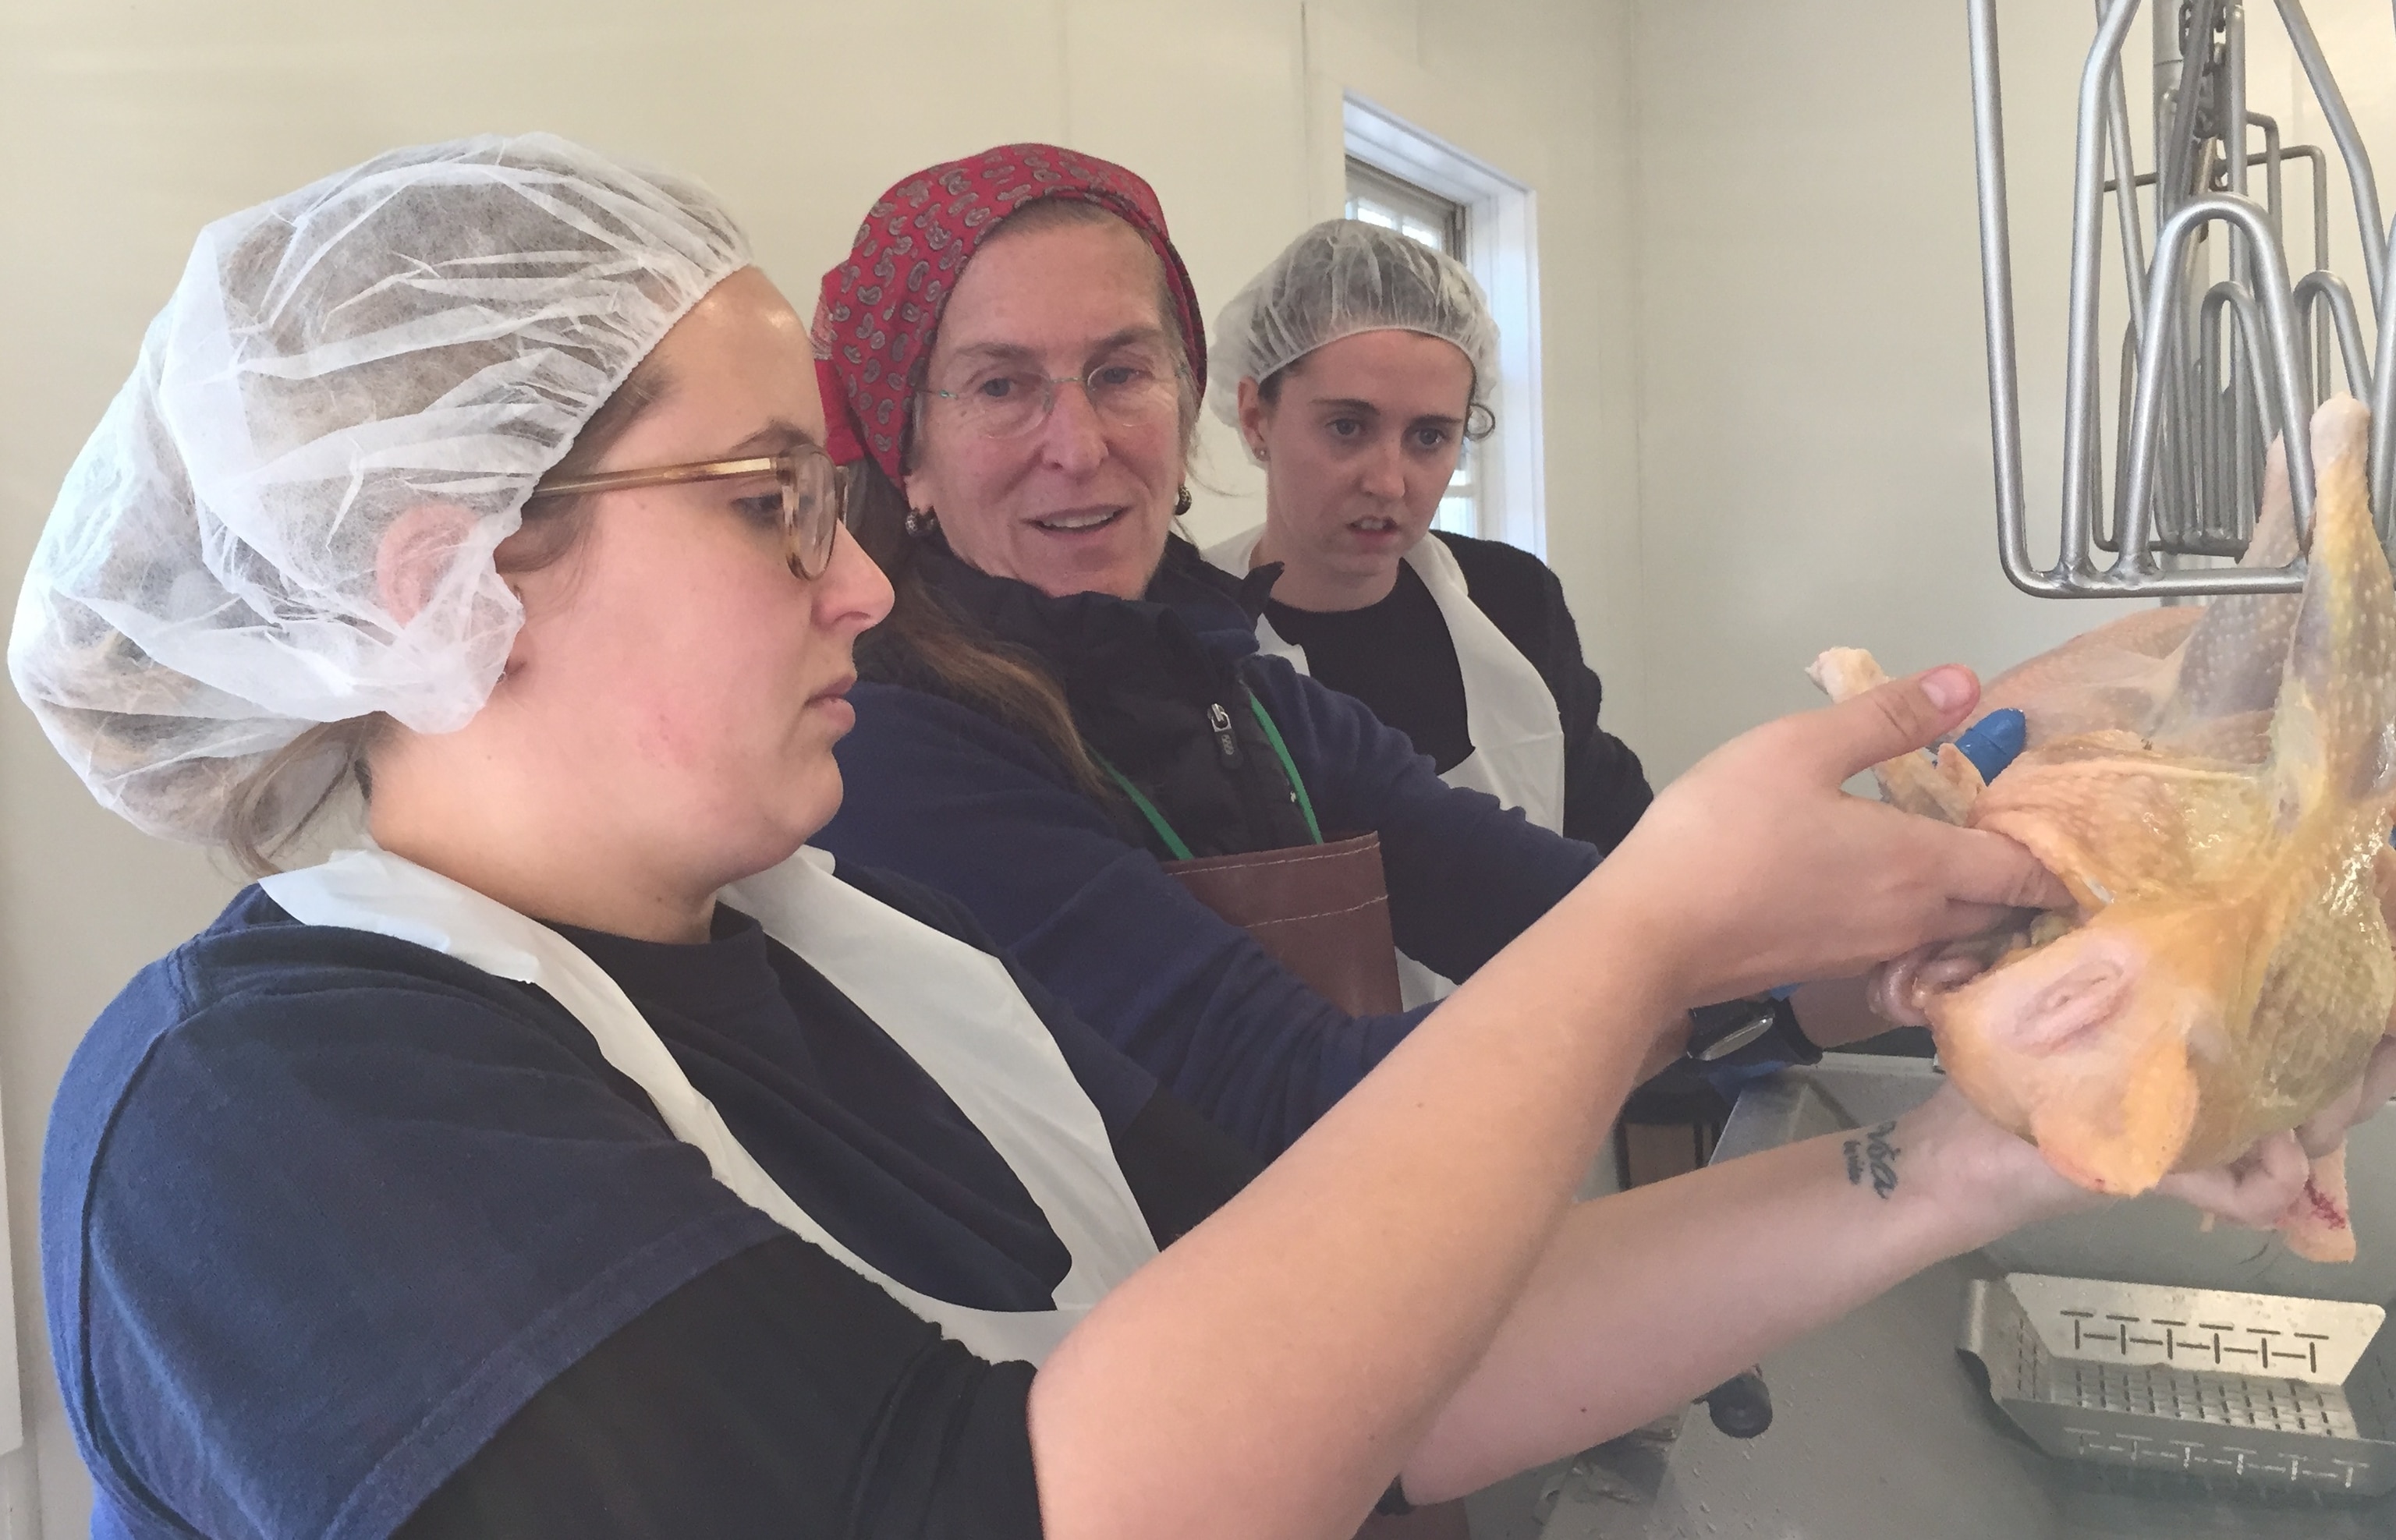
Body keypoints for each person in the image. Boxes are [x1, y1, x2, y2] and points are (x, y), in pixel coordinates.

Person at [14, 133, 2334, 1540]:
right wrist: (1647, 940)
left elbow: (1365, 1347)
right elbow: (1029, 1507)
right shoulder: (275, 1115)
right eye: (767, 504)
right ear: (434, 576)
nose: (848, 581)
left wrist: (1993, 1145)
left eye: (817, 504)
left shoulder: (820, 935)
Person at [817, 145, 1825, 1158]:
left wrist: (1831, 937)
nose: (1079, 445)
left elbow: (1551, 900)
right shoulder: (889, 742)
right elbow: (1300, 1092)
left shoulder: (1231, 682)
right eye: (1000, 385)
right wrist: (1743, 980)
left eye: (1121, 372)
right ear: (905, 451)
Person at [1203, 218, 1646, 861]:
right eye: (1348, 427)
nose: (1389, 483)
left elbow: (1619, 835)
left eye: (1430, 437)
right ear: (1254, 417)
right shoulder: (1186, 633)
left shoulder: (1513, 600)